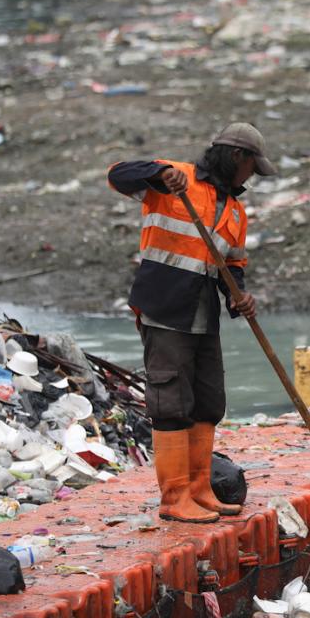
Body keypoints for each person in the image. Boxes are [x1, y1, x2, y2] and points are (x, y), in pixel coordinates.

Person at [108, 123, 277, 522]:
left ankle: (201, 489)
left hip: (204, 314)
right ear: (236, 156)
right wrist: (159, 173)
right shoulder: (174, 179)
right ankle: (175, 497)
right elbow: (117, 174)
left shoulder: (235, 211)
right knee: (171, 402)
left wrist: (239, 297)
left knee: (208, 401)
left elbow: (232, 265)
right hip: (165, 309)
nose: (251, 176)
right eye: (251, 167)